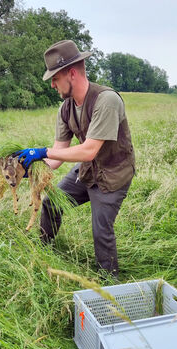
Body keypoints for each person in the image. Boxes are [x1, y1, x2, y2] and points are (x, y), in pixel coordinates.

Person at [15, 40, 135, 279]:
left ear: (71, 73)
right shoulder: (65, 109)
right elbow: (59, 153)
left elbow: (88, 150)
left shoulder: (106, 100)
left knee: (101, 230)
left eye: (55, 78)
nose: (52, 85)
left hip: (114, 174)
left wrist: (43, 151)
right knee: (52, 203)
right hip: (88, 170)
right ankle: (43, 254)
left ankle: (109, 283)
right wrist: (28, 168)